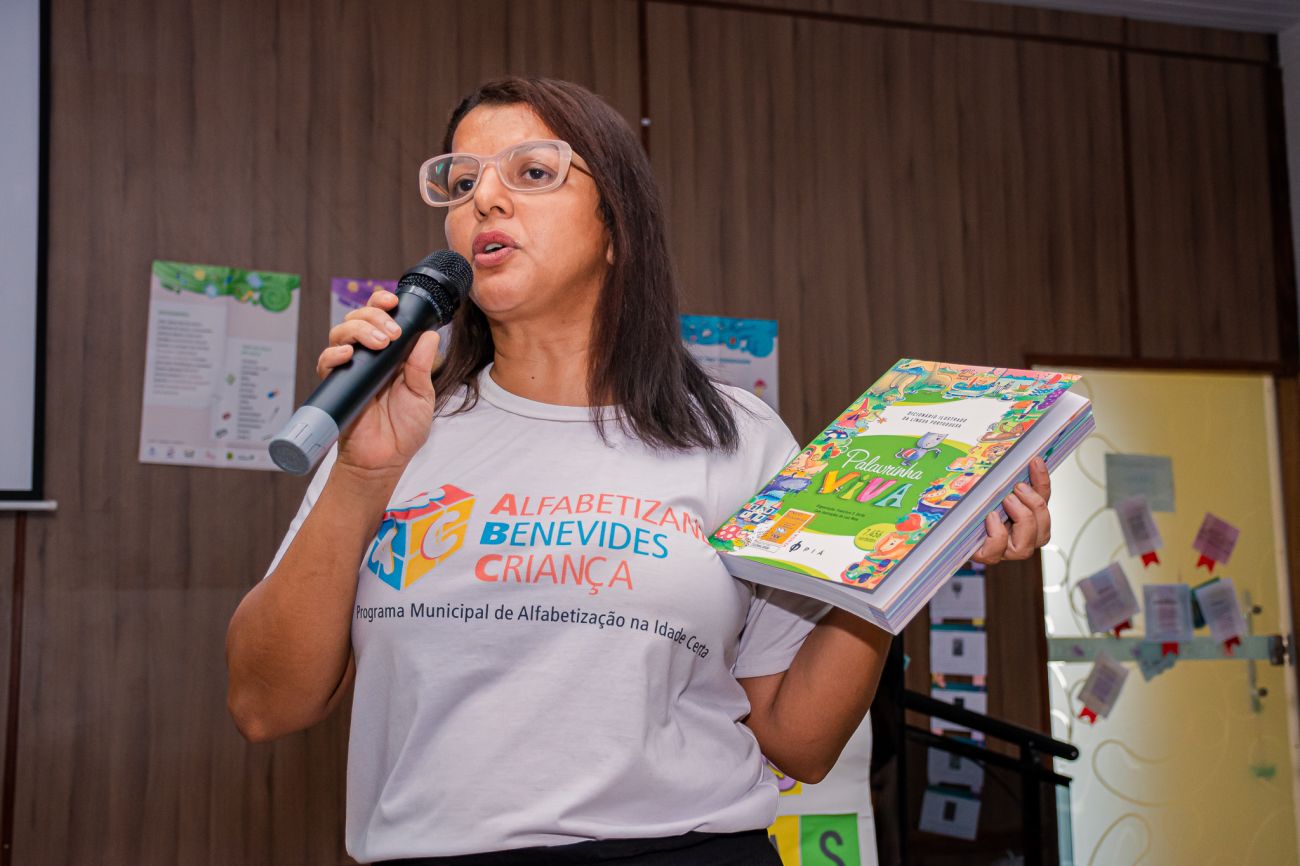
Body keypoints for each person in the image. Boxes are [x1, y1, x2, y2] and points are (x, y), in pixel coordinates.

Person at [225, 77, 1052, 865]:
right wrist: (362, 475)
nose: (485, 199)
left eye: (533, 172)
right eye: (463, 181)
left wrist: (905, 556)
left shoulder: (737, 437)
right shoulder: (392, 426)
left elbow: (798, 739)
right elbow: (263, 705)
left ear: (616, 227)